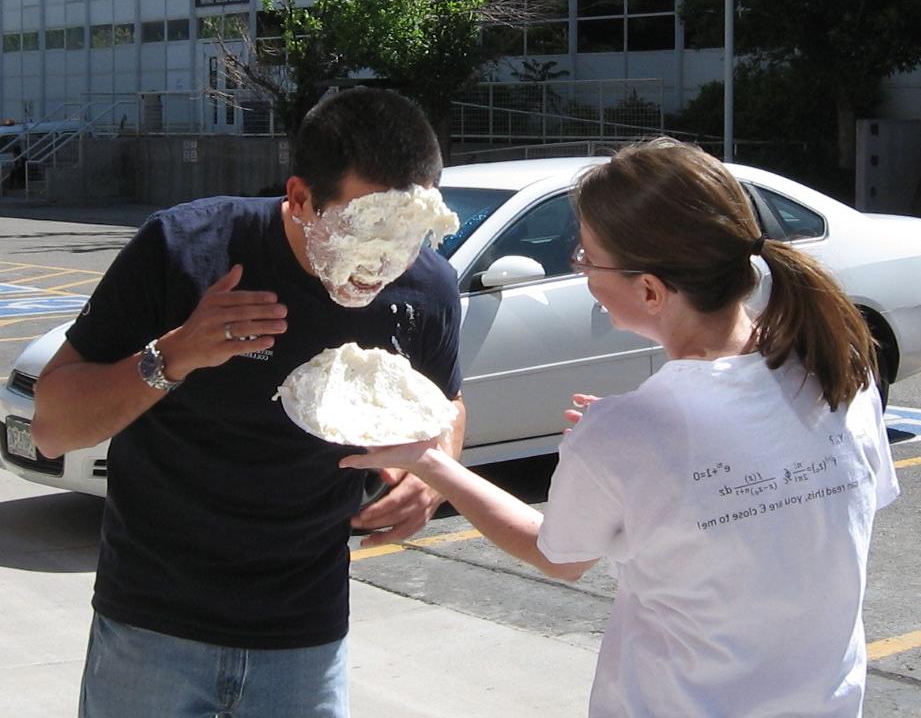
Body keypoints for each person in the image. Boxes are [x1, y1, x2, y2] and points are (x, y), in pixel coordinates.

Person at [341, 137, 898, 717]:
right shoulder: (842, 372)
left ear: (651, 290)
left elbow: (560, 556)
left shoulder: (630, 430)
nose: (580, 271)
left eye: (584, 258)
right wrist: (624, 446)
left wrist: (430, 463)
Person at [32, 86, 466, 718]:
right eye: (361, 232)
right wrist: (173, 356)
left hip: (306, 636)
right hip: (153, 624)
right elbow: (49, 427)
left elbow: (448, 402)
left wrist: (433, 478)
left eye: (406, 240)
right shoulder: (184, 250)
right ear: (298, 198)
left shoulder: (425, 288)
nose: (381, 268)